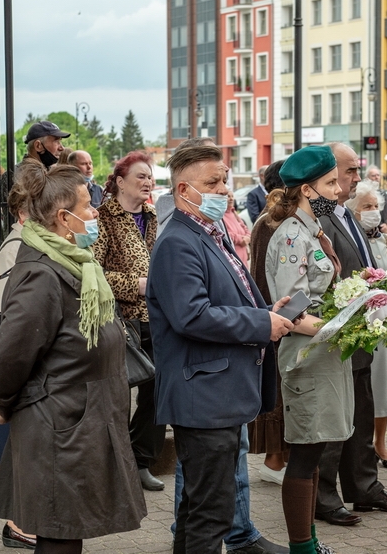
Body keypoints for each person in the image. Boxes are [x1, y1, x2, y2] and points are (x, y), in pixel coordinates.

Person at [0, 165, 147, 554]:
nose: (96, 214)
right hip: (59, 424)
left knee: (68, 528)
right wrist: (1, 400)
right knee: (59, 532)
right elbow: (10, 351)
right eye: (88, 206)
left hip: (77, 418)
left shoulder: (74, 260)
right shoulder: (41, 270)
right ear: (62, 217)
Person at [148, 143, 295, 554]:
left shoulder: (209, 233)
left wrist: (266, 311)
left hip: (220, 392)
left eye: (225, 180)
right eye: (212, 182)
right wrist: (261, 323)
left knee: (207, 507)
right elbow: (191, 316)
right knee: (209, 512)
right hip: (203, 395)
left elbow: (227, 300)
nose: (224, 190)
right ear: (183, 190)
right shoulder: (179, 240)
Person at [316, 144, 387, 528]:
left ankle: (364, 488)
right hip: (339, 332)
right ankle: (324, 497)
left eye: (357, 170)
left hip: (362, 332)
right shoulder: (319, 215)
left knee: (361, 413)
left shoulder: (345, 211)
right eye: (350, 170)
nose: (358, 177)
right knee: (335, 420)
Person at [265, 145, 351, 552]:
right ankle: (301, 547)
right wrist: (347, 330)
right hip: (306, 355)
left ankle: (311, 543)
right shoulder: (290, 238)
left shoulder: (312, 230)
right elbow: (292, 314)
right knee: (304, 453)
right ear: (305, 190)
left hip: (323, 352)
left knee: (316, 449)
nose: (337, 191)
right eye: (330, 183)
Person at [92, 151, 166, 491]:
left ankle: (141, 461)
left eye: (150, 177)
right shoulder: (103, 218)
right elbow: (91, 273)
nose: (148, 182)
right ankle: (114, 467)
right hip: (121, 321)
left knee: (157, 392)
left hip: (156, 319)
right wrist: (134, 285)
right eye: (141, 176)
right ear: (120, 181)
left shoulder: (152, 215)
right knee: (119, 396)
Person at [0, 162, 41, 550]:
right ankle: (17, 524)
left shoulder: (30, 243)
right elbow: (11, 314)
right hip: (20, 365)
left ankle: (25, 520)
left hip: (29, 364)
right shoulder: (15, 247)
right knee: (19, 450)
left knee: (28, 449)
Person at [344, 180, 387, 469]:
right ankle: (362, 443)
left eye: (376, 206)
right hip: (365, 324)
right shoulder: (347, 239)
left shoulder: (384, 239)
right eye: (366, 207)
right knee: (366, 387)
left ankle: (381, 442)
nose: (373, 212)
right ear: (352, 211)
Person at [248, 160, 290, 485]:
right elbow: (261, 275)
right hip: (274, 316)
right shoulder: (269, 222)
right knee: (276, 391)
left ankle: (281, 458)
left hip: (278, 315)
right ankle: (274, 461)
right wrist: (269, 314)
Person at [225, 190, 252, 266]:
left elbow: (245, 228)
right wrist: (241, 239)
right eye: (228, 196)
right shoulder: (221, 216)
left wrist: (248, 238)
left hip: (244, 257)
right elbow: (226, 234)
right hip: (234, 256)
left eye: (232, 196)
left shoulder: (233, 212)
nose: (231, 199)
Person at [365, 166, 387, 232]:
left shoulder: (385, 196)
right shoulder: (363, 196)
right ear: (367, 178)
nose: (376, 177)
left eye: (378, 175)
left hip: (384, 232)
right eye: (373, 175)